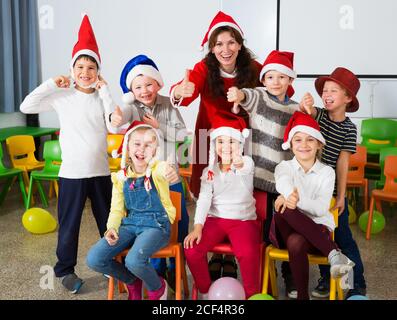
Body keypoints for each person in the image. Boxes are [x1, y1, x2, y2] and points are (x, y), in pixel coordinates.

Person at [20, 15, 118, 293]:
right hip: (72, 175)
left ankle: (113, 262)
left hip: (101, 173)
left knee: (109, 223)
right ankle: (65, 270)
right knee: (69, 226)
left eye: (91, 67)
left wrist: (107, 90)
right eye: (80, 66)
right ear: (72, 68)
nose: (85, 71)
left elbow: (114, 123)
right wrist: (52, 83)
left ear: (98, 71)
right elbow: (27, 106)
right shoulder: (62, 96)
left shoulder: (101, 97)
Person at [171, 11, 262, 279]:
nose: (225, 49)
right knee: (208, 190)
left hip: (242, 140)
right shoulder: (203, 68)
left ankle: (233, 252)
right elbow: (185, 91)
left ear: (240, 44)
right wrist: (179, 91)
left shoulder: (253, 68)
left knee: (238, 189)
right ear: (211, 48)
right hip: (207, 138)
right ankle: (215, 252)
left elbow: (277, 90)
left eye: (231, 42)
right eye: (219, 44)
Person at [227, 50, 312, 298]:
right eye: (271, 76)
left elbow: (305, 133)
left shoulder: (296, 108)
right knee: (261, 232)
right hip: (256, 179)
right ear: (263, 80)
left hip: (283, 182)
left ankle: (289, 272)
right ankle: (265, 277)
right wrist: (238, 94)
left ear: (290, 82)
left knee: (285, 230)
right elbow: (246, 96)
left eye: (282, 77)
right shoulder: (260, 97)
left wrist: (307, 111)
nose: (276, 82)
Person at [110, 54, 190, 289]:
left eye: (148, 84)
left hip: (170, 178)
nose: (144, 90)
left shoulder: (168, 104)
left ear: (157, 83)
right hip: (144, 183)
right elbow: (119, 116)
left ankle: (177, 270)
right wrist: (114, 118)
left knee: (178, 225)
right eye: (138, 87)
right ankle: (158, 275)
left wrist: (159, 127)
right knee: (149, 229)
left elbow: (183, 135)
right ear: (131, 90)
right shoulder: (130, 106)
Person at [86, 121, 177, 300]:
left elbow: (166, 169)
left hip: (157, 226)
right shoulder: (121, 177)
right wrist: (111, 228)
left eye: (148, 145)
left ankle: (157, 287)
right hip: (130, 224)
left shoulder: (158, 169)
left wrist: (171, 170)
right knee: (94, 259)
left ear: (155, 150)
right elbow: (116, 209)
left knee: (134, 260)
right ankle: (132, 281)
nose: (141, 149)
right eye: (137, 143)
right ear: (127, 146)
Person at [273, 111, 355, 300]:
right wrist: (288, 195)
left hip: (318, 231)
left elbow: (320, 209)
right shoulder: (284, 166)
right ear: (291, 145)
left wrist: (295, 201)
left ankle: (303, 297)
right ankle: (334, 253)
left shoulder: (327, 172)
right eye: (298, 140)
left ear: (319, 144)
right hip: (288, 229)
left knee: (295, 239)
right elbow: (283, 182)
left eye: (310, 140)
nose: (304, 145)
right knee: (284, 209)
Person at [300, 67, 367, 299]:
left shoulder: (349, 128)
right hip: (311, 193)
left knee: (343, 241)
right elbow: (305, 116)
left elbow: (343, 163)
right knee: (320, 238)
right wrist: (306, 108)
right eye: (324, 90)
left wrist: (341, 196)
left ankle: (355, 283)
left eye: (333, 90)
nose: (326, 94)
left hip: (333, 196)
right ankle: (327, 280)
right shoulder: (317, 115)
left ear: (347, 98)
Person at [184, 111, 261, 299]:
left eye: (231, 142)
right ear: (214, 145)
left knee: (248, 252)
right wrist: (197, 227)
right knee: (192, 249)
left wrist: (238, 161)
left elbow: (245, 167)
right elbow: (203, 199)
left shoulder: (247, 163)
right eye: (220, 142)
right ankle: (205, 291)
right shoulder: (209, 172)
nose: (226, 147)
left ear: (240, 143)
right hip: (215, 220)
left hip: (243, 221)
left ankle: (252, 295)